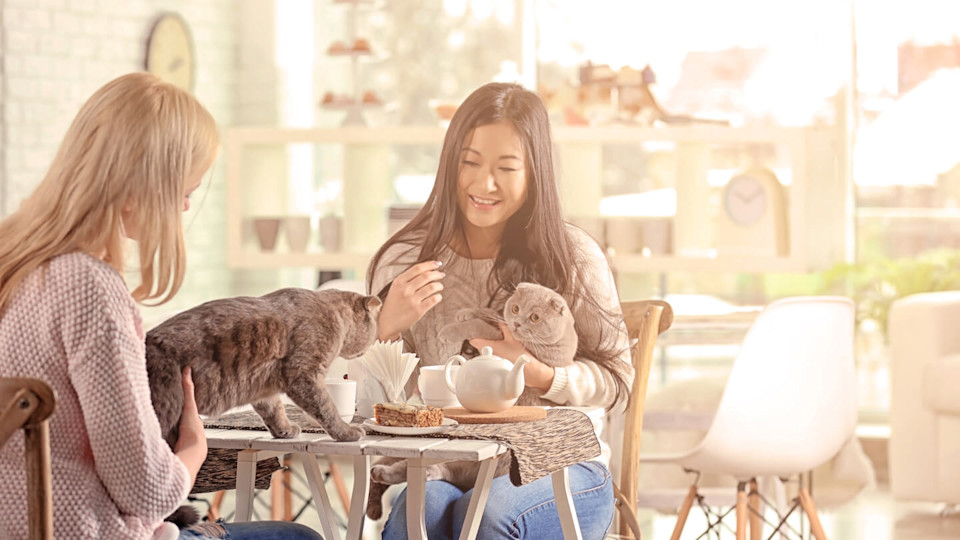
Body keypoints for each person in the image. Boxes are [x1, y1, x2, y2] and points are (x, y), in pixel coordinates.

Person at [0, 73, 322, 540]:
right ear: (141, 186)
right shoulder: (90, 288)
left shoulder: (17, 265)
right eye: (184, 190)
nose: (187, 206)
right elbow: (146, 492)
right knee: (300, 537)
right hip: (85, 531)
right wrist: (192, 448)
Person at [367, 82, 632, 540]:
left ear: (534, 174)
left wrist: (537, 374)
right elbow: (369, 406)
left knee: (490, 515)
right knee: (421, 511)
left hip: (563, 463)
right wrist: (382, 328)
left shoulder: (572, 257)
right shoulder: (403, 263)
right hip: (452, 464)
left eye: (505, 168)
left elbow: (619, 382)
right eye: (469, 163)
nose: (482, 184)